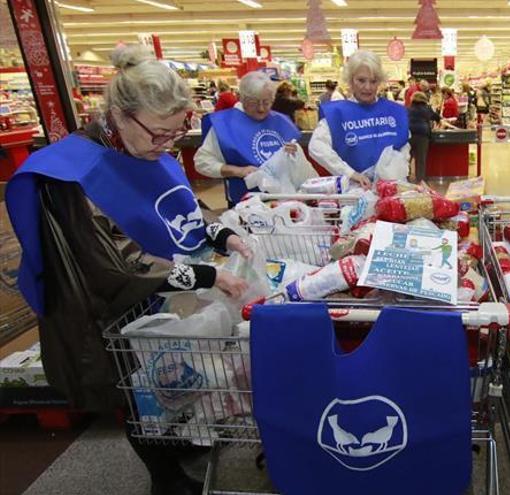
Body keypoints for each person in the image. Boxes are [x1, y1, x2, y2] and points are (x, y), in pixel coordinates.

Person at [4, 45, 252, 495]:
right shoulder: (73, 175)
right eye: (160, 133)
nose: (167, 145)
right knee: (136, 393)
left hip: (164, 299)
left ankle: (175, 447)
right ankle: (164, 477)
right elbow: (114, 266)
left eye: (176, 134)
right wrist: (207, 276)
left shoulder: (146, 144)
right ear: (120, 114)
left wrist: (220, 235)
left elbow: (182, 208)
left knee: (171, 377)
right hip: (113, 307)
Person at [195, 71, 302, 207]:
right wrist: (237, 171)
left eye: (267, 102)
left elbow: (295, 164)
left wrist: (294, 154)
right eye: (254, 103)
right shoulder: (225, 124)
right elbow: (202, 162)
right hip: (244, 203)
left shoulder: (281, 121)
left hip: (284, 199)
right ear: (241, 98)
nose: (261, 108)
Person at [309, 50, 410, 190]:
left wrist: (395, 175)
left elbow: (404, 147)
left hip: (392, 190)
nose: (367, 87)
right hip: (355, 192)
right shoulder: (336, 113)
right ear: (350, 80)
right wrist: (350, 174)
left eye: (373, 81)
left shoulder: (395, 112)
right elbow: (317, 147)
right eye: (361, 80)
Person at [408, 91, 442, 182]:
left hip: (409, 135)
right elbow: (437, 117)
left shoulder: (408, 109)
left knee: (407, 158)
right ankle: (420, 180)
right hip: (422, 136)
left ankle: (406, 178)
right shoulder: (427, 109)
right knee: (420, 159)